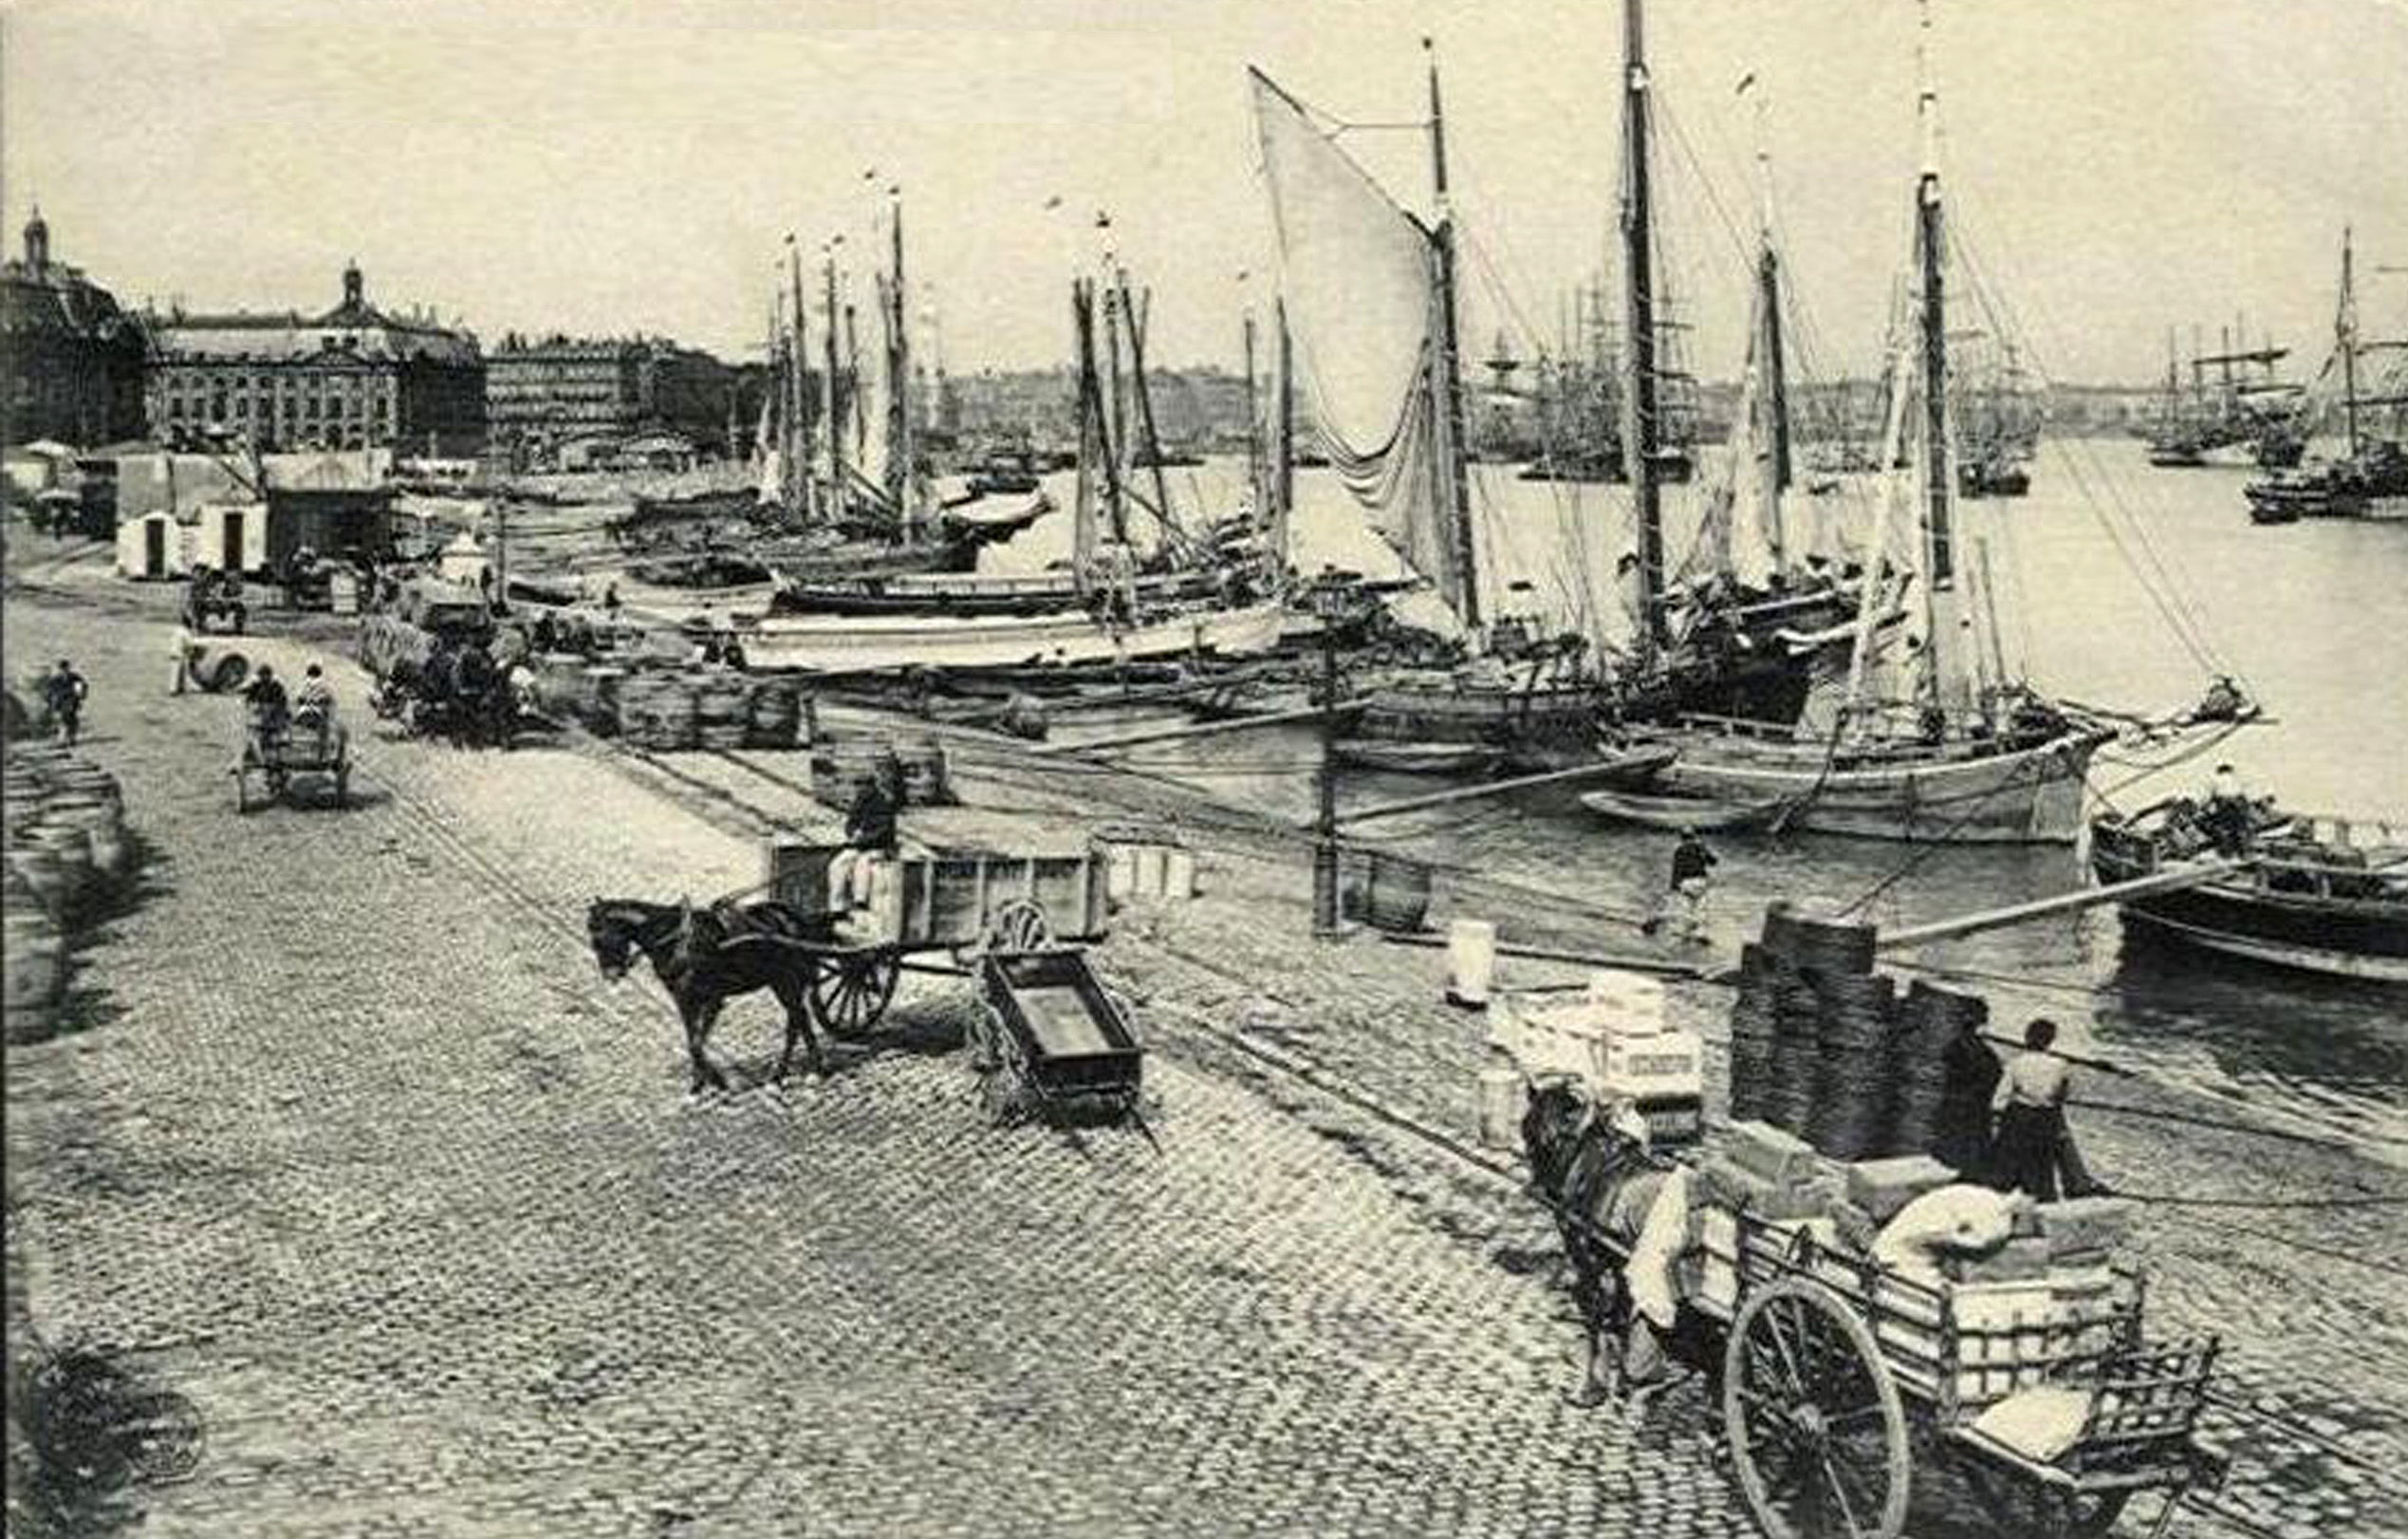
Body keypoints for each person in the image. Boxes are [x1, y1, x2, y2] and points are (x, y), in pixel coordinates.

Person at [1989, 1018, 2077, 1202]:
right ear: (2051, 1040)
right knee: (2041, 1167)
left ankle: (2001, 1202)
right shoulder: (2061, 1065)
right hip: (2045, 1119)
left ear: (2027, 1037)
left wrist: (1996, 1120)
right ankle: (2040, 1202)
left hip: (2019, 1117)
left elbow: (2000, 1098)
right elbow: (2063, 1095)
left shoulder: (2016, 1063)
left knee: (2007, 1166)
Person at [1933, 1013, 2002, 1179]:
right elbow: (1996, 1073)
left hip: (1958, 1098)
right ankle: (1971, 1168)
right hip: (1977, 1101)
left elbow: (1947, 1063)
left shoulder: (1955, 1045)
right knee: (1974, 1138)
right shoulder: (1987, 1051)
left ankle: (1952, 1163)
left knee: (1952, 1134)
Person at [828, 772, 899, 913]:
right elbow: (850, 824)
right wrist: (853, 833)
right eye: (858, 785)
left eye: (864, 786)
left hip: (878, 848)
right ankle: (837, 906)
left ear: (872, 786)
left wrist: (864, 838)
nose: (860, 789)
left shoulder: (883, 804)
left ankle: (860, 901)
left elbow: (883, 831)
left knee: (863, 864)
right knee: (838, 864)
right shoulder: (859, 802)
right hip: (860, 846)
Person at [1642, 830, 1717, 944]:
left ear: (1682, 838)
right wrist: (1703, 851)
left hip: (1686, 883)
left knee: (1678, 909)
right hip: (1702, 882)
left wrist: (1674, 886)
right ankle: (1699, 933)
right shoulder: (1700, 847)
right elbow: (1714, 861)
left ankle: (1655, 921)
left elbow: (1677, 869)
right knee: (1699, 908)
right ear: (1694, 836)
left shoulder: (1679, 850)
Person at [42, 659, 88, 747]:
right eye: (62, 669)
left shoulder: (74, 678)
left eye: (66, 668)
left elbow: (82, 687)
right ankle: (62, 739)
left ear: (68, 668)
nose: (64, 670)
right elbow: (48, 691)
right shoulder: (55, 679)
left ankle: (71, 738)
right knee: (61, 720)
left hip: (71, 701)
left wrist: (80, 696)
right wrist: (49, 701)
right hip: (59, 702)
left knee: (72, 719)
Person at [243, 664, 290, 744]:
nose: (263, 677)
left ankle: (274, 735)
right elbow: (248, 693)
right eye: (261, 675)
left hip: (273, 712)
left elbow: (282, 700)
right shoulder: (257, 685)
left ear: (270, 675)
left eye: (265, 675)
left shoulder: (276, 686)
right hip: (263, 713)